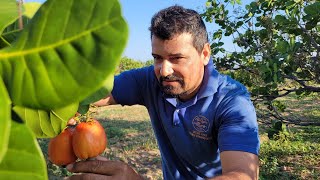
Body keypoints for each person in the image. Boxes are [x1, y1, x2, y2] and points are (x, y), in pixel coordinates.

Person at [66, 5, 260, 180]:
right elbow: (92, 93)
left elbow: (242, 175)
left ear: (205, 54)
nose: (164, 70)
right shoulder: (150, 80)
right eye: (157, 58)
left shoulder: (231, 100)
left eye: (177, 58)